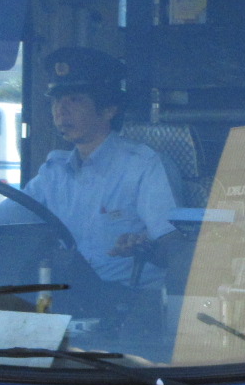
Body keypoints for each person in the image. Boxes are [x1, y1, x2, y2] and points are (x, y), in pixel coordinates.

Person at [20, 48, 179, 292]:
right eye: (56, 100)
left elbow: (173, 247)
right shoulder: (53, 172)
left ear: (108, 109)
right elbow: (5, 218)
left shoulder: (143, 166)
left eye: (74, 99)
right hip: (66, 295)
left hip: (126, 303)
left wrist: (143, 248)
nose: (61, 110)